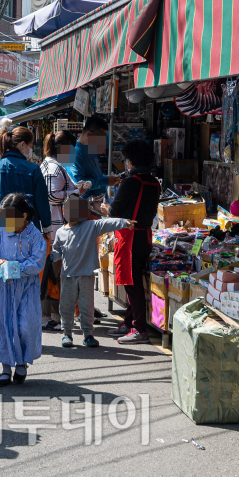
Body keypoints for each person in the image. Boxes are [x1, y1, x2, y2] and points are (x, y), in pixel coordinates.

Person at [0, 193, 46, 387]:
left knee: (23, 327)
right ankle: (6, 370)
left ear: (23, 215)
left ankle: (21, 363)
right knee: (4, 327)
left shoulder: (35, 235)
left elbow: (38, 262)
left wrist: (14, 268)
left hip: (26, 290)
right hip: (2, 290)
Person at [52, 196, 129, 348]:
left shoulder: (90, 226)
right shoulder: (60, 232)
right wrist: (51, 256)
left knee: (86, 306)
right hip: (67, 276)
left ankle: (88, 334)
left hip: (86, 275)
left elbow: (107, 223)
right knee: (66, 306)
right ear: (63, 211)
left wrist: (124, 222)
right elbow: (57, 251)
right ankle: (67, 333)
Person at [106, 139, 161, 344]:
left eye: (127, 160)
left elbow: (114, 210)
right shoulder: (154, 182)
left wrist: (106, 209)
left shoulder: (132, 182)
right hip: (144, 235)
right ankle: (129, 322)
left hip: (130, 236)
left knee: (132, 283)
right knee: (134, 280)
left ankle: (139, 328)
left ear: (131, 160)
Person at [39, 130, 83, 331]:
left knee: (53, 273)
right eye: (72, 149)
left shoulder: (51, 165)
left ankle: (51, 315)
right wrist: (75, 191)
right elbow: (52, 196)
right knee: (54, 274)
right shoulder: (53, 168)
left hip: (53, 226)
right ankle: (51, 316)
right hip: (54, 227)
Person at [0, 126, 51, 237]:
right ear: (22, 144)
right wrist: (47, 229)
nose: (32, 149)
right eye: (31, 145)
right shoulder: (33, 169)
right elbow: (42, 203)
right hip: (27, 232)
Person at [67, 115, 122, 200]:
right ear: (89, 134)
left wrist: (109, 179)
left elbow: (94, 176)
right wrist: (106, 181)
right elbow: (79, 184)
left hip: (98, 206)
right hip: (83, 207)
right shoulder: (75, 153)